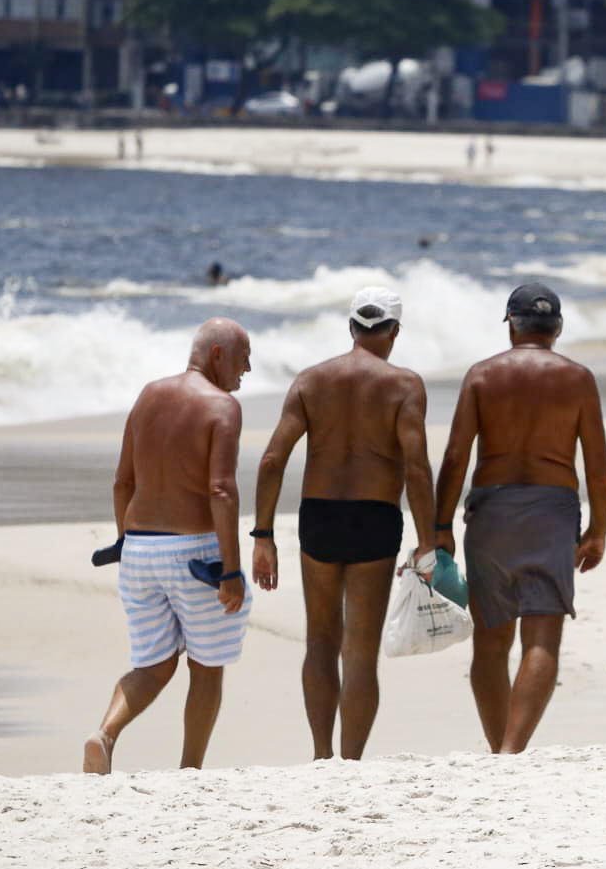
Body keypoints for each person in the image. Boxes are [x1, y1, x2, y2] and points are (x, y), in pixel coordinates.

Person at [251, 287, 436, 760]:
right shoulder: (405, 385)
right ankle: (350, 761)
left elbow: (273, 459)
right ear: (393, 330)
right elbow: (416, 468)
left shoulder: (311, 382)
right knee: (359, 649)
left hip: (321, 516)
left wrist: (263, 536)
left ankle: (320, 754)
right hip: (375, 517)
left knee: (320, 639)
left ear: (352, 327)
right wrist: (428, 543)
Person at [434, 283, 606, 754]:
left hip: (492, 510)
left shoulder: (482, 375)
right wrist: (599, 529)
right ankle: (513, 751)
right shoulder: (577, 378)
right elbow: (597, 461)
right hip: (552, 511)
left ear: (510, 323)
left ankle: (500, 751)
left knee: (490, 642)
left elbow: (456, 456)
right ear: (557, 327)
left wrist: (439, 529)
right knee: (543, 636)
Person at [84, 317, 252, 774]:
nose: (248, 370)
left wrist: (124, 541)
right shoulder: (223, 407)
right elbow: (221, 490)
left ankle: (104, 734)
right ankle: (190, 770)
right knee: (207, 666)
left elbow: (122, 482)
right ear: (217, 355)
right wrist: (232, 571)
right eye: (244, 357)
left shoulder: (148, 397)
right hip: (195, 554)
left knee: (153, 665)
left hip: (138, 551)